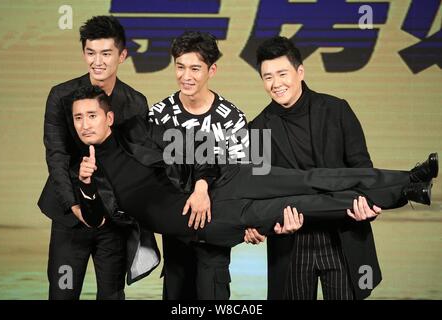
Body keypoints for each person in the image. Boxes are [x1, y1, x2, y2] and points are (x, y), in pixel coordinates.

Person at [72, 85, 437, 255]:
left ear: (108, 117)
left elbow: (199, 150)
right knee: (301, 203)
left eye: (92, 115)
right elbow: (96, 218)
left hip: (223, 181)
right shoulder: (86, 170)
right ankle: (406, 193)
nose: (86, 124)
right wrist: (87, 184)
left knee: (313, 178)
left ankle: (410, 179)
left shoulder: (136, 131)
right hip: (206, 223)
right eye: (78, 118)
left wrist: (200, 186)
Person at [246, 36, 431, 300]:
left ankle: (410, 184)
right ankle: (409, 185)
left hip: (342, 235)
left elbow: (361, 169)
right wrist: (270, 225)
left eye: (282, 74)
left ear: (300, 72)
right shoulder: (259, 129)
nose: (276, 84)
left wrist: (366, 208)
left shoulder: (336, 110)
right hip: (292, 243)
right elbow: (263, 189)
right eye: (267, 77)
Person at [37, 16, 160, 300]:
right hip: (70, 216)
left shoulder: (135, 102)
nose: (98, 61)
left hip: (113, 220)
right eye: (91, 53)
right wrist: (74, 205)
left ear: (122, 55)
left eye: (106, 53)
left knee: (112, 294)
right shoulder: (61, 96)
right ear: (84, 53)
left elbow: (137, 160)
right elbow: (56, 154)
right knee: (62, 292)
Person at [148, 31, 250, 300]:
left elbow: (243, 175)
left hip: (216, 230)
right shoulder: (159, 115)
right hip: (175, 231)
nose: (186, 76)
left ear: (211, 70)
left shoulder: (232, 118)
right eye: (180, 67)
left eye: (195, 68)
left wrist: (250, 220)